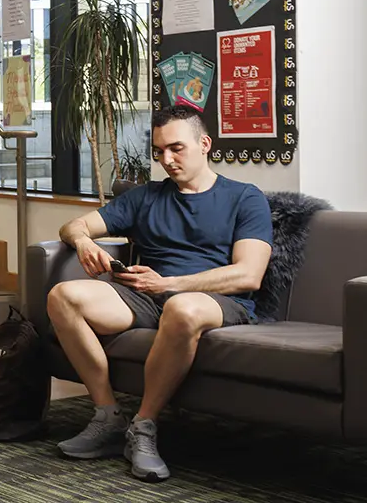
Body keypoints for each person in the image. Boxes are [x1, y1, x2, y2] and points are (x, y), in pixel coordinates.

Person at [48, 104, 272, 482]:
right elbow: (73, 225)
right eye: (159, 151)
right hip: (147, 298)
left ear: (204, 144)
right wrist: (83, 241)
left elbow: (248, 275)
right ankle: (108, 417)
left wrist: (168, 284)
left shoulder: (245, 198)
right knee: (62, 296)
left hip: (214, 301)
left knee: (182, 309)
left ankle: (144, 426)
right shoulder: (145, 197)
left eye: (176, 148)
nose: (167, 160)